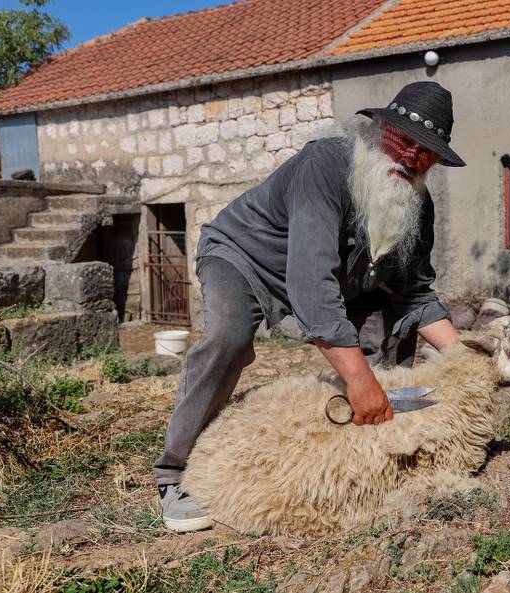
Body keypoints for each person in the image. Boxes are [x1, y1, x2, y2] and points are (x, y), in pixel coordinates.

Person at [153, 81, 467, 532]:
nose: (411, 156)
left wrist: (467, 366)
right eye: (404, 140)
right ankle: (172, 473)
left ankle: (365, 467)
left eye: (426, 151)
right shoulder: (326, 164)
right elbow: (310, 286)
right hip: (245, 257)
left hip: (345, 280)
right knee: (229, 337)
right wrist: (357, 378)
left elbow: (416, 295)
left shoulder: (417, 204)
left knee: (390, 348)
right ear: (379, 130)